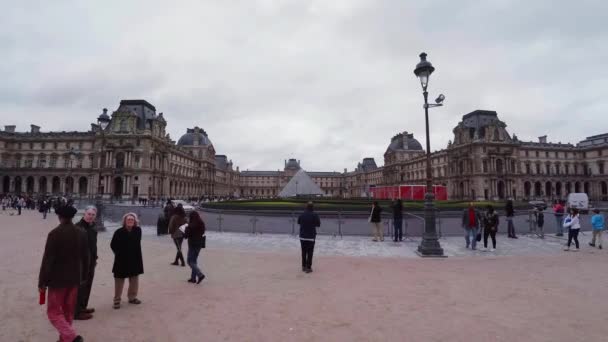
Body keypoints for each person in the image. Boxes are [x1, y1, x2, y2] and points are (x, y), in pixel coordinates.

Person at [38, 205, 88, 342]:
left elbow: (48, 260)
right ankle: (64, 339)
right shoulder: (81, 232)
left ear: (59, 217)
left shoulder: (54, 234)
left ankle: (72, 337)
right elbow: (86, 257)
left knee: (53, 312)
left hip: (57, 280)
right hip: (74, 279)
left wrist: (42, 282)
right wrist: (83, 276)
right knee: (68, 311)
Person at [110, 212, 144, 309]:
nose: (130, 221)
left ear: (135, 221)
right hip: (121, 260)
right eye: (128, 220)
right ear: (124, 221)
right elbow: (113, 245)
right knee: (119, 281)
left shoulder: (138, 230)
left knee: (134, 280)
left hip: (134, 259)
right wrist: (119, 253)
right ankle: (117, 300)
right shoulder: (118, 232)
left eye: (132, 220)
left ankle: (132, 297)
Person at [74, 206, 98, 320]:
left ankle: (83, 307)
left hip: (91, 262)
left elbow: (93, 246)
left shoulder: (93, 228)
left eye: (93, 215)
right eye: (89, 214)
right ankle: (76, 312)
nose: (90, 216)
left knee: (88, 285)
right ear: (84, 214)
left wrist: (95, 258)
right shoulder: (78, 228)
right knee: (80, 287)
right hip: (80, 263)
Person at [298, 202, 321, 273]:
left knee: (303, 252)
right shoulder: (315, 215)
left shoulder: (302, 214)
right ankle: (308, 268)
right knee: (310, 252)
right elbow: (318, 224)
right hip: (311, 236)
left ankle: (303, 266)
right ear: (313, 207)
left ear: (306, 207)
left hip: (302, 236)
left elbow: (298, 222)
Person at [184, 211, 206, 284]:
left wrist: (186, 229)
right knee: (194, 261)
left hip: (192, 244)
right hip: (199, 243)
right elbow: (203, 232)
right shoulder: (201, 223)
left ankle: (200, 274)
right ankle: (193, 278)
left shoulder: (190, 225)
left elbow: (186, 236)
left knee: (189, 261)